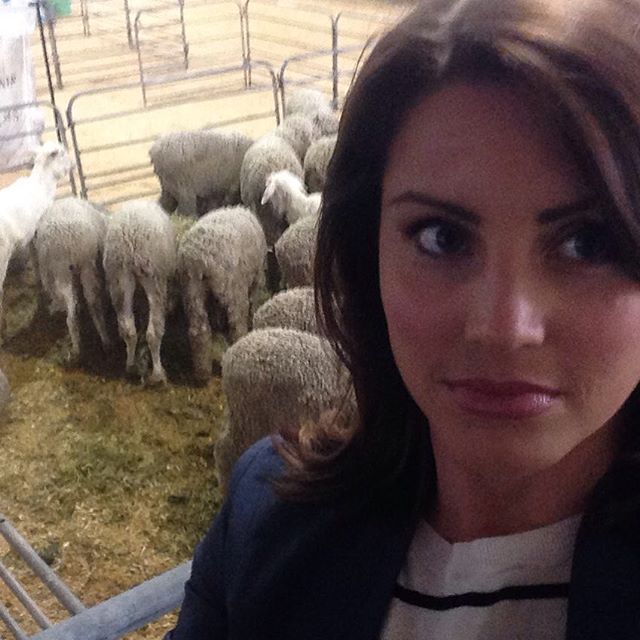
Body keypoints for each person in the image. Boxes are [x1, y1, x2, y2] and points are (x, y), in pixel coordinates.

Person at [166, 0, 640, 637]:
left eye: (590, 243)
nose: (503, 328)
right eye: (441, 236)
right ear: (369, 255)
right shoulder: (264, 518)